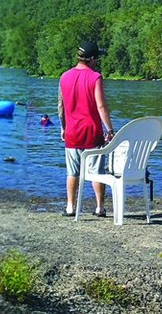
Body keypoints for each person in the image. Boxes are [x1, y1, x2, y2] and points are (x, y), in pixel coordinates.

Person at [57, 39, 116, 217]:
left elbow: (60, 106)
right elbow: (101, 106)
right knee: (96, 172)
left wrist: (63, 128)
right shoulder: (95, 77)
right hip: (92, 132)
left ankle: (70, 207)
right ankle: (99, 207)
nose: (97, 61)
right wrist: (110, 129)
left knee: (72, 172)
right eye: (97, 58)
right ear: (92, 59)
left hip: (72, 133)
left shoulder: (64, 76)